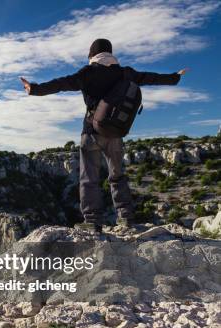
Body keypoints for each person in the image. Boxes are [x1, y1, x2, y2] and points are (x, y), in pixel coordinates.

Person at [20, 38, 188, 233]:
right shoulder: (126, 73)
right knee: (117, 176)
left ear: (92, 54)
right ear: (110, 53)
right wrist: (175, 77)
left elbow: (62, 84)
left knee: (89, 177)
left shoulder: (88, 72)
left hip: (91, 132)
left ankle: (92, 221)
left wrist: (35, 89)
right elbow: (151, 78)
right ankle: (126, 218)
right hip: (115, 133)